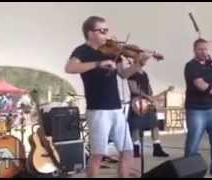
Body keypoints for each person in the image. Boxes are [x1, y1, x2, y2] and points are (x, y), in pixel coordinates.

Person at [65, 16, 152, 178]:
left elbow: (124, 74)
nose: (107, 34)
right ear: (90, 33)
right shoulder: (82, 51)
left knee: (127, 151)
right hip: (98, 110)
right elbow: (70, 68)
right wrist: (98, 64)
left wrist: (139, 63)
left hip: (116, 108)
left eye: (107, 30)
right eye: (102, 31)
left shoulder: (113, 51)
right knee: (98, 155)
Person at [184, 38, 212, 176]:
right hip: (195, 110)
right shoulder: (191, 66)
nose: (204, 52)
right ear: (194, 50)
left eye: (206, 49)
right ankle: (190, 171)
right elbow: (200, 84)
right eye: (200, 49)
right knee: (193, 143)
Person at [127, 59, 169, 158]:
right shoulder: (131, 73)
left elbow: (148, 88)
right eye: (143, 59)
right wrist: (147, 96)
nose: (145, 61)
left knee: (154, 124)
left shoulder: (144, 73)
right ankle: (135, 149)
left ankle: (157, 148)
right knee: (136, 126)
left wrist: (152, 97)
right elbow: (133, 89)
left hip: (147, 102)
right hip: (137, 102)